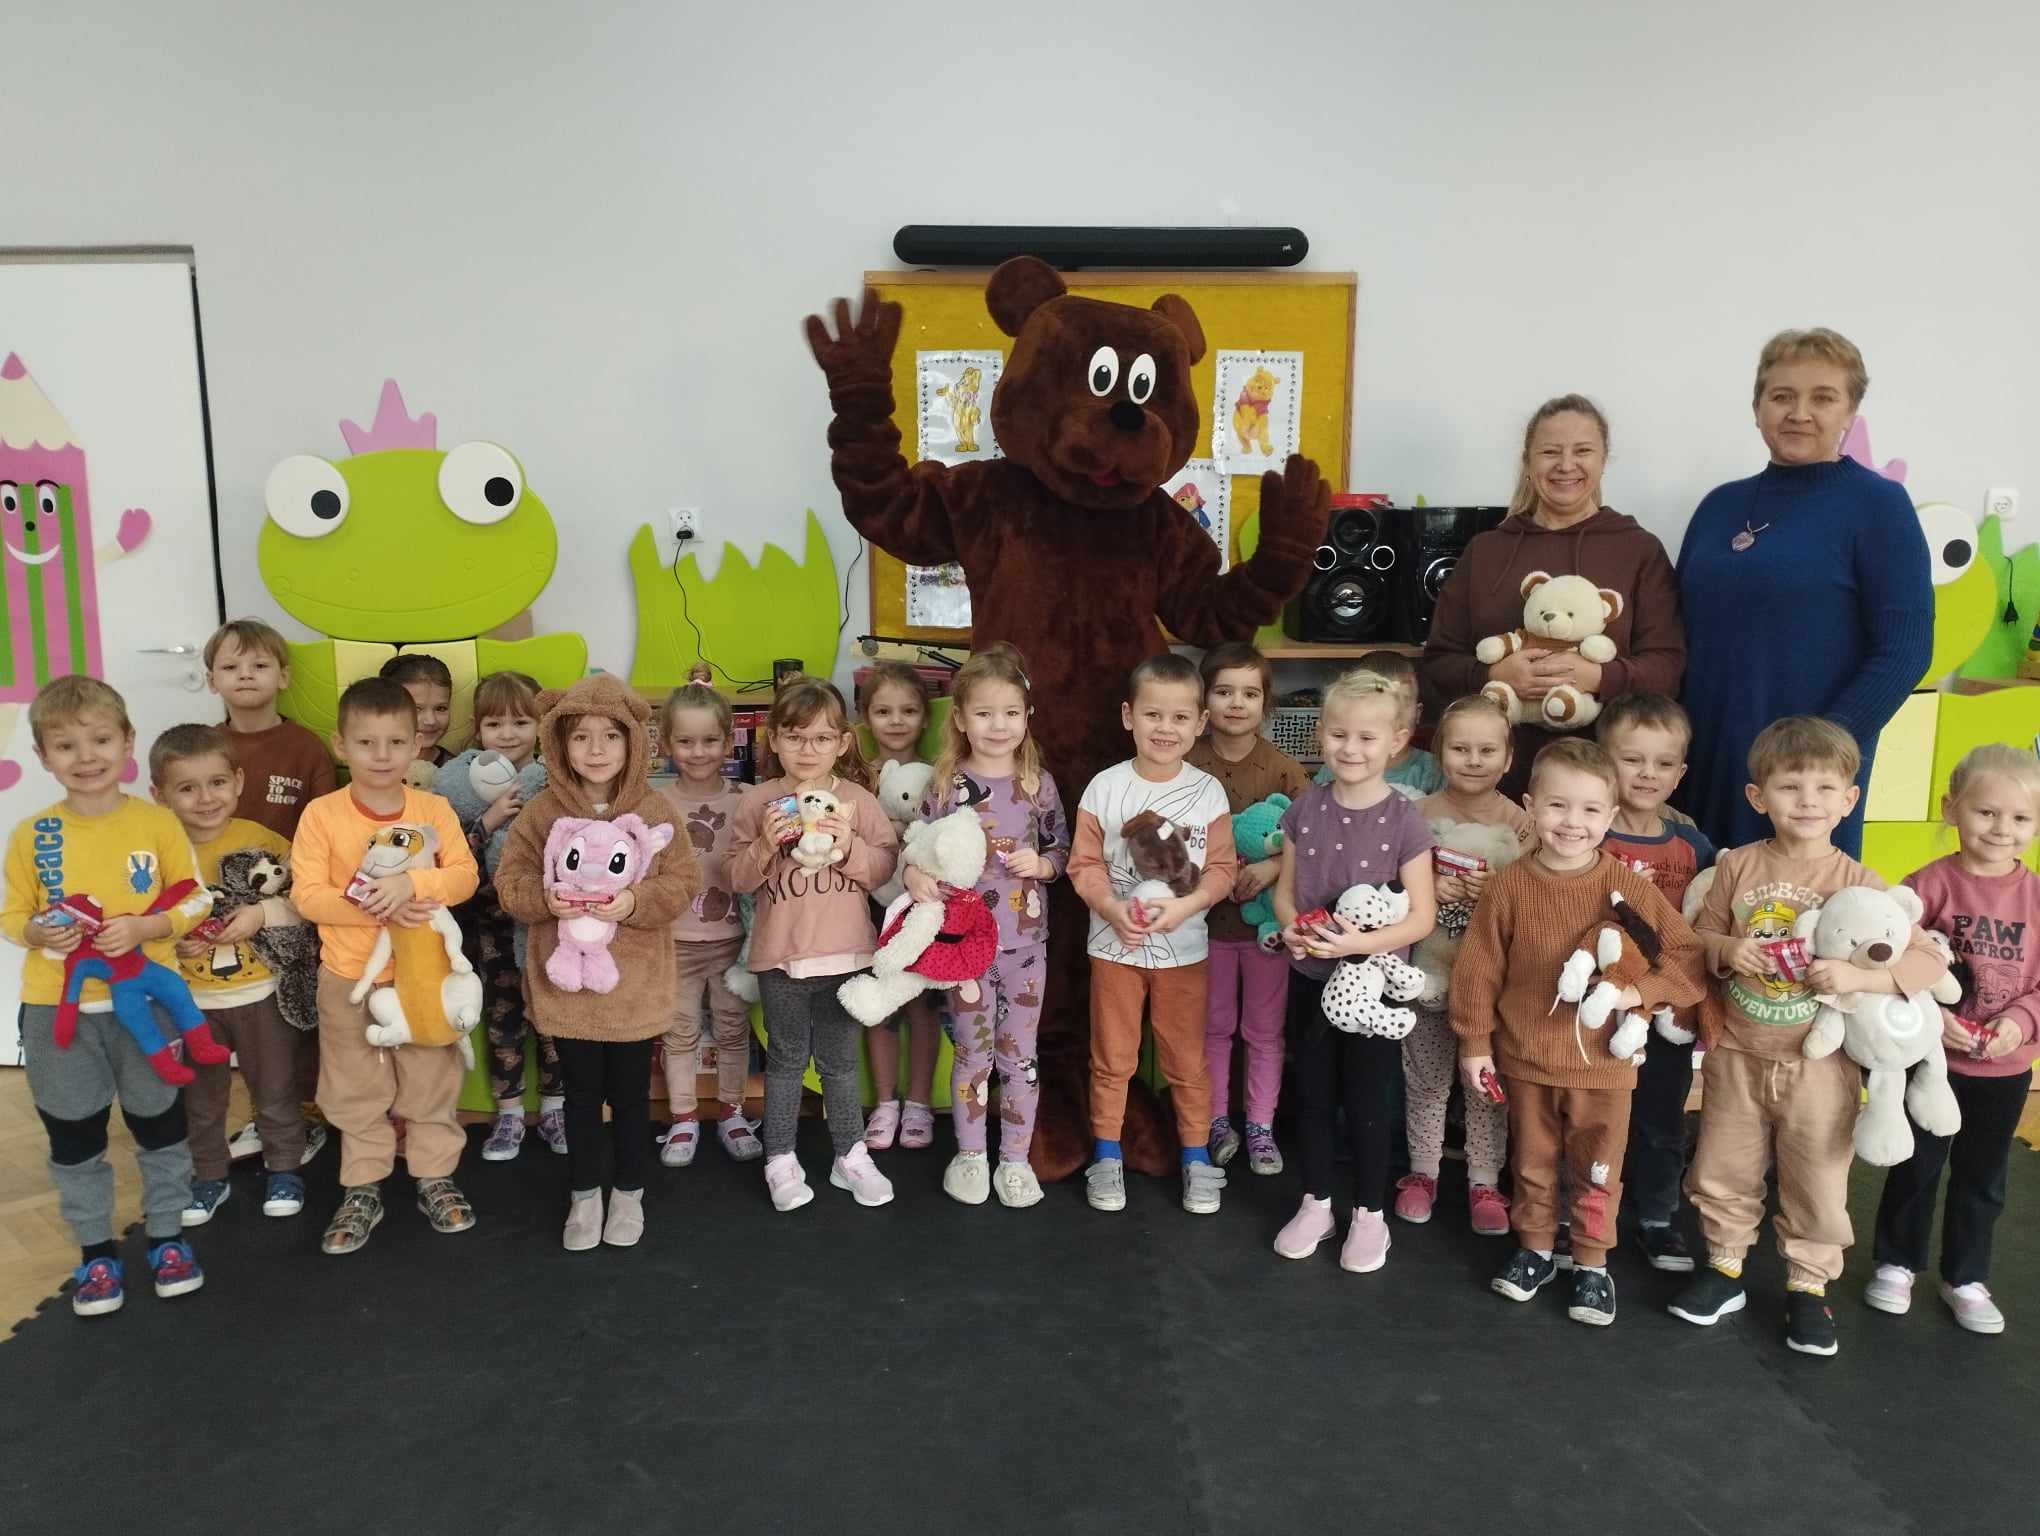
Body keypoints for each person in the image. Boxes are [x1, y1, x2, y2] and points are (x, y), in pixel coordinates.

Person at [1671, 718, 1948, 1356]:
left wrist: (1859, 976)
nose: (1807, 801)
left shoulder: (1861, 883)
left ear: (1849, 800)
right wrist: (1728, 949)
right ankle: (1724, 1270)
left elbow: (1928, 961)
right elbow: (1697, 937)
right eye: (1790, 786)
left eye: (1825, 788)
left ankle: (1808, 1283)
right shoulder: (1737, 866)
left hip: (1822, 1066)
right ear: (1758, 796)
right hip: (1739, 1052)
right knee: (1722, 1168)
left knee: (1818, 1178)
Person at [1455, 738, 1703, 1325]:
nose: (1572, 822)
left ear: (1611, 815)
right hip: (1526, 1058)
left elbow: (1687, 956)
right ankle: (1536, 1250)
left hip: (1604, 1067)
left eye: (1590, 809)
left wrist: (1640, 994)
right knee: (1533, 1163)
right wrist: (1474, 1042)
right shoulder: (1508, 885)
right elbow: (1478, 968)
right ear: (1530, 806)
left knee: (1597, 1167)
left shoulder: (1628, 888)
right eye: (1557, 806)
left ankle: (1592, 1263)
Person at [1677, 329, 1932, 857]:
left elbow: (1904, 652)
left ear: (1850, 412)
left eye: (1823, 397)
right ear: (1757, 409)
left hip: (1804, 782)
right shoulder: (1718, 506)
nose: (1799, 413)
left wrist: (1817, 753)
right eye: (1782, 396)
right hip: (1699, 756)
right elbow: (1679, 629)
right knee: (1695, 897)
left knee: (1792, 904)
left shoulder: (1879, 507)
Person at [1, 676, 212, 1316]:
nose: (86, 756)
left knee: (159, 1124)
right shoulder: (32, 833)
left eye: (99, 740)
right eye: (66, 745)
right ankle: (96, 1253)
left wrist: (147, 927)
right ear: (43, 756)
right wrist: (36, 931)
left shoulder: (157, 822)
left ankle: (168, 1237)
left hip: (145, 1006)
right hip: (57, 1011)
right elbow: (12, 916)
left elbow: (197, 898)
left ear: (126, 742)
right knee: (74, 1135)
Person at [495, 676, 699, 1251]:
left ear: (634, 741)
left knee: (631, 1097)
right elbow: (509, 880)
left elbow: (683, 881)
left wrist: (634, 902)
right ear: (558, 743)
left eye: (611, 735)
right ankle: (584, 1195)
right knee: (580, 1097)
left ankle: (630, 1191)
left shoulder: (655, 808)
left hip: (634, 989)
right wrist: (545, 898)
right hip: (568, 987)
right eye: (581, 736)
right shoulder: (541, 812)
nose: (596, 749)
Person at [292, 676, 479, 1256]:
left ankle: (434, 1176)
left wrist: (412, 885)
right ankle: (362, 1185)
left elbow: (464, 876)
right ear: (341, 745)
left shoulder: (433, 809)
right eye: (366, 743)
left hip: (423, 975)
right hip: (349, 979)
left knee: (431, 1079)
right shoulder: (322, 815)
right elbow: (307, 896)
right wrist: (375, 903)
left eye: (395, 742)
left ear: (416, 744)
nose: (381, 755)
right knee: (354, 1086)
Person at [1420, 394, 1686, 799]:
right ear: (1528, 462)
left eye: (1582, 451)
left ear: (1603, 460)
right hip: (1493, 783)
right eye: (1550, 452)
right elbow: (1439, 661)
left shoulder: (1638, 550)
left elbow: (1668, 666)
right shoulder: (1486, 551)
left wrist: (1597, 677)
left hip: (1602, 790)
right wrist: (1493, 675)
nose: (1566, 465)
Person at [1867, 745, 2040, 1334]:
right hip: (1929, 1062)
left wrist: (2020, 1022)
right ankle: (1896, 1262)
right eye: (1987, 812)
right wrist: (1931, 1014)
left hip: (2004, 1069)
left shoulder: (2036, 897)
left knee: (1982, 1178)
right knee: (1915, 1166)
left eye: (2020, 818)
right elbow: (1891, 955)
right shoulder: (1928, 885)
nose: (2002, 828)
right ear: (1951, 809)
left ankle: (1966, 1276)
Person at [1269, 671, 1436, 1270]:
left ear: (1396, 741)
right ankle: (1316, 1202)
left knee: (1369, 1101)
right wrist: (1292, 927)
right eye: (1339, 734)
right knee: (1313, 1097)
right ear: (1321, 734)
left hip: (1375, 993)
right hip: (1311, 981)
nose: (1351, 748)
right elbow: (1286, 892)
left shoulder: (1405, 820)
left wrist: (1359, 944)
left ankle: (1370, 1213)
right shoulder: (1304, 810)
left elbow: (1421, 917)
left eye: (1367, 738)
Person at [1070, 653, 1238, 1215]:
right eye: (1153, 715)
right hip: (1113, 950)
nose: (1165, 728)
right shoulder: (1104, 787)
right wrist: (1111, 908)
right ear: (1128, 716)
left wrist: (1187, 905)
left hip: (1184, 956)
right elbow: (1084, 864)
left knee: (1186, 1061)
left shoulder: (1208, 792)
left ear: (1200, 723)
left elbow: (1222, 870)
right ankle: (1106, 1154)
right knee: (1112, 1058)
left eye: (1179, 717)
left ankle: (1196, 1157)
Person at [729, 677, 899, 1213]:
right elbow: (736, 877)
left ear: (843, 742)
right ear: (774, 740)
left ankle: (850, 1155)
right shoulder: (757, 801)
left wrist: (848, 846)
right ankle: (779, 1158)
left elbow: (884, 868)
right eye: (795, 737)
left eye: (822, 738)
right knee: (784, 1061)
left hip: (846, 954)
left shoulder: (858, 801)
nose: (808, 749)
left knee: (839, 1063)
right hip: (780, 957)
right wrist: (765, 843)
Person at [912, 643, 1067, 1208]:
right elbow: (917, 848)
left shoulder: (1038, 784)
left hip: (1025, 947)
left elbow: (1062, 850)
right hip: (965, 948)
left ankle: (1015, 1160)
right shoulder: (946, 785)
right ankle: (971, 1155)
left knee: (1019, 1057)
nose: (998, 726)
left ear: (1027, 717)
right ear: (959, 718)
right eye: (984, 713)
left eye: (1010, 713)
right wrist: (914, 876)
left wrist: (1043, 865)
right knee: (973, 1054)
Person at [150, 724, 309, 1224]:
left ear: (238, 781)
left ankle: (285, 1167)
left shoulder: (263, 841)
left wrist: (260, 915)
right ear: (159, 795)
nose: (205, 799)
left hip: (262, 996)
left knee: (275, 1089)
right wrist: (170, 939)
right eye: (187, 788)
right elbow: (141, 921)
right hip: (191, 1004)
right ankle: (208, 1176)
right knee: (201, 1099)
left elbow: (304, 902)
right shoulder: (157, 854)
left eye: (217, 783)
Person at [1396, 693, 1531, 1235]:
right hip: (1427, 975)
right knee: (1426, 1081)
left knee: (1486, 1088)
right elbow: (1386, 888)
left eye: (1487, 750)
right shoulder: (1416, 816)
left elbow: (1540, 896)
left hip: (1495, 988)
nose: (1473, 760)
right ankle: (1422, 1172)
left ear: (1508, 758)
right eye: (1460, 749)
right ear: (1439, 752)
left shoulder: (1522, 824)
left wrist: (1499, 890)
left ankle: (1484, 1180)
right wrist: (1426, 884)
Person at [206, 617, 332, 1169]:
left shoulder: (304, 747)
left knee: (294, 1009)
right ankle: (268, 1115)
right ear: (211, 679)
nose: (245, 674)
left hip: (291, 903)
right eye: (231, 666)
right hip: (221, 912)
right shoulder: (205, 746)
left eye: (259, 664)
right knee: (245, 1018)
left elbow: (324, 824)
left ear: (283, 676)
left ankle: (306, 1115)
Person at [1595, 693, 1715, 1273]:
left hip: (1665, 1010)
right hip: (1598, 1003)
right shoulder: (1589, 833)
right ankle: (1582, 1214)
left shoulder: (1692, 845)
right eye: (1632, 759)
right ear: (1604, 762)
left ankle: (1656, 1218)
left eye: (1663, 763)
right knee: (1592, 1116)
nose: (1648, 774)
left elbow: (1705, 926)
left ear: (1680, 773)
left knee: (1662, 1118)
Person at [1187, 641, 1307, 1175]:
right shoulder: (1187, 764)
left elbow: (1311, 842)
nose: (1237, 703)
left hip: (1266, 931)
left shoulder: (1284, 771)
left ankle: (1260, 1124)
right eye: (1224, 691)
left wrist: (1275, 867)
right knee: (1212, 1029)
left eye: (1250, 694)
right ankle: (1215, 1120)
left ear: (1266, 703)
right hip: (1203, 928)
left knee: (1263, 1031)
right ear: (1204, 701)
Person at [655, 680, 763, 1167]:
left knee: (732, 1029)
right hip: (673, 942)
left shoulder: (749, 799)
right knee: (678, 1032)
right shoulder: (655, 804)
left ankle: (732, 1112)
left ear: (728, 741)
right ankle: (683, 1117)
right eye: (685, 741)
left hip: (733, 943)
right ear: (666, 743)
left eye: (709, 740)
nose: (698, 752)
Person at [858, 660, 941, 1151]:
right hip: (870, 906)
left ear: (925, 718)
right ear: (866, 717)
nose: (896, 721)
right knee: (882, 1006)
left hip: (923, 906)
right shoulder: (855, 779)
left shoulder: (940, 778)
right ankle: (885, 1103)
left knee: (923, 1007)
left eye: (908, 711)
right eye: (883, 711)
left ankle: (919, 1103)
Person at [1309, 651, 1442, 798]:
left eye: (1404, 702)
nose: (1394, 712)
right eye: (1375, 703)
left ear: (1418, 712)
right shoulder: (1338, 765)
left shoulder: (1431, 770)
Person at [380, 653, 456, 767]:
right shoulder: (368, 763)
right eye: (416, 709)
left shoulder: (456, 769)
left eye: (440, 708)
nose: (430, 721)